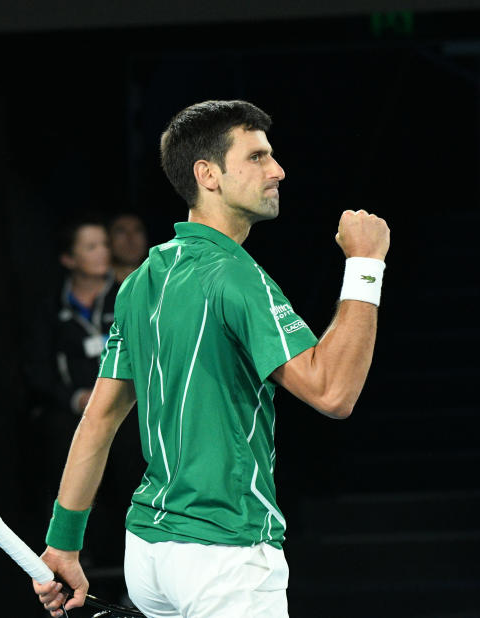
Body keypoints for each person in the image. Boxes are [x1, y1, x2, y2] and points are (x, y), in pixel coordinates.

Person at [32, 100, 390, 617]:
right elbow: (334, 392)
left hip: (151, 554)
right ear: (208, 174)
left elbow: (99, 419)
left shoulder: (140, 282)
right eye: (257, 157)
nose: (278, 170)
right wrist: (365, 264)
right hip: (225, 554)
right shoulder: (237, 277)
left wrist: (63, 544)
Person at [24, 215, 142, 567]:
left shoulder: (129, 295)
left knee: (132, 466)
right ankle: (76, 559)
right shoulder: (50, 309)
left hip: (128, 414)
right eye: (91, 247)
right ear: (68, 259)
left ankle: (131, 572)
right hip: (72, 418)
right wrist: (74, 398)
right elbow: (37, 370)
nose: (104, 252)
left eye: (104, 244)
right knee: (61, 445)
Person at [107, 212, 149, 284]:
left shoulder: (164, 282)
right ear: (108, 239)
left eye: (137, 231)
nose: (130, 239)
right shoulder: (96, 285)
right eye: (121, 232)